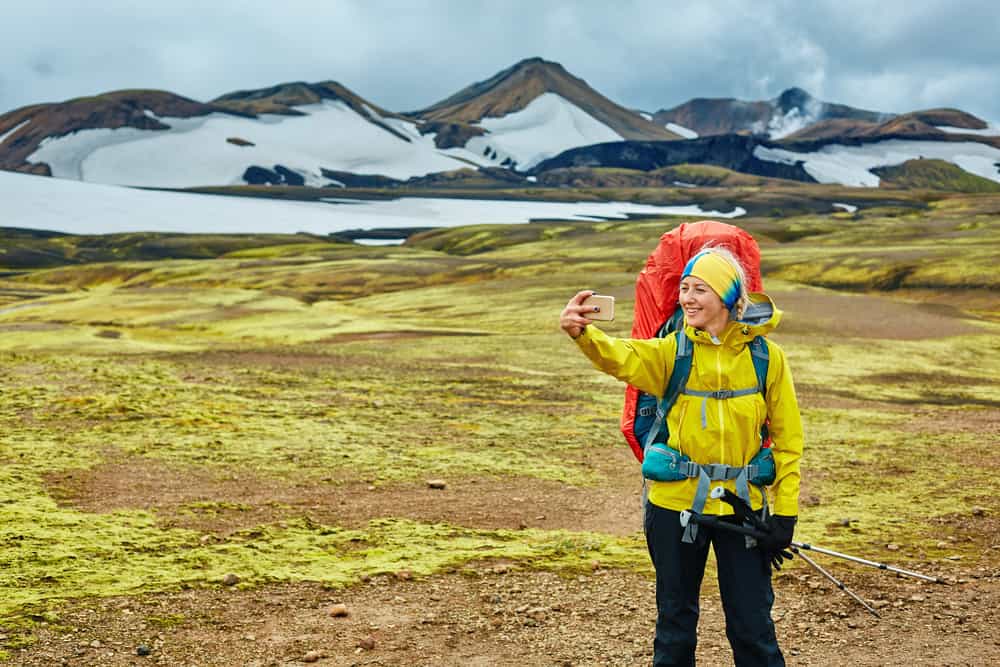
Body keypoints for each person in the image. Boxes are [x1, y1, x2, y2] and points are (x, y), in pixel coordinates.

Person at [559, 246, 803, 667]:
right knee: (675, 624)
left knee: (752, 627)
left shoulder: (767, 358)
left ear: (728, 298)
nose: (687, 298)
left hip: (743, 510)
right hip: (674, 507)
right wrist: (583, 334)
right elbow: (622, 357)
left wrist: (786, 514)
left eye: (700, 290)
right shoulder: (672, 351)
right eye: (684, 288)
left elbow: (788, 441)